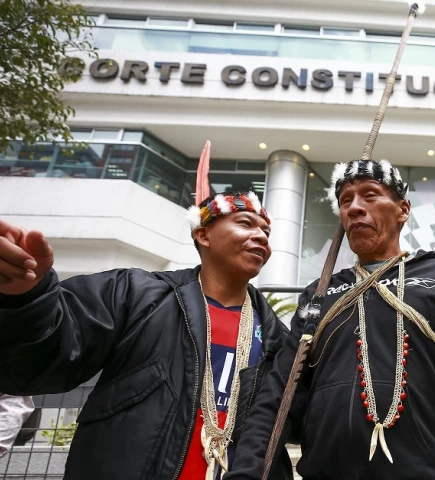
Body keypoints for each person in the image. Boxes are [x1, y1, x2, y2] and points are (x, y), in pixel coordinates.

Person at [0, 143, 292, 480]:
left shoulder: (278, 337)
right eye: (245, 224)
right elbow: (42, 362)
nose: (260, 237)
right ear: (203, 234)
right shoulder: (134, 293)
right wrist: (26, 299)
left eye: (266, 232)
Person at [226, 159, 435, 479]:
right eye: (345, 201)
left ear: (403, 209)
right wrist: (247, 472)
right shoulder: (320, 293)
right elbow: (280, 392)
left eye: (370, 195)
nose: (354, 207)